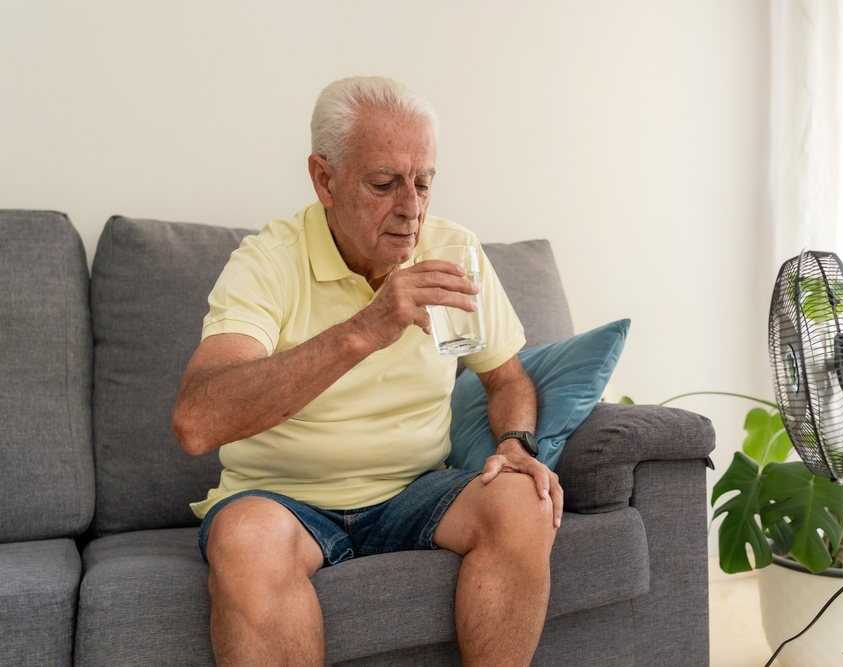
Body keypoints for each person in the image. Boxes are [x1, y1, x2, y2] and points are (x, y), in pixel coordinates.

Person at [172, 76, 563, 667]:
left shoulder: (452, 253)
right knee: (246, 538)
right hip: (284, 500)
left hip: (416, 491)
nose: (412, 209)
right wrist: (366, 328)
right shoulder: (267, 264)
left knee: (523, 501)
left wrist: (515, 442)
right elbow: (197, 421)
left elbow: (506, 379)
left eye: (424, 183)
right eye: (384, 184)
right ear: (324, 179)